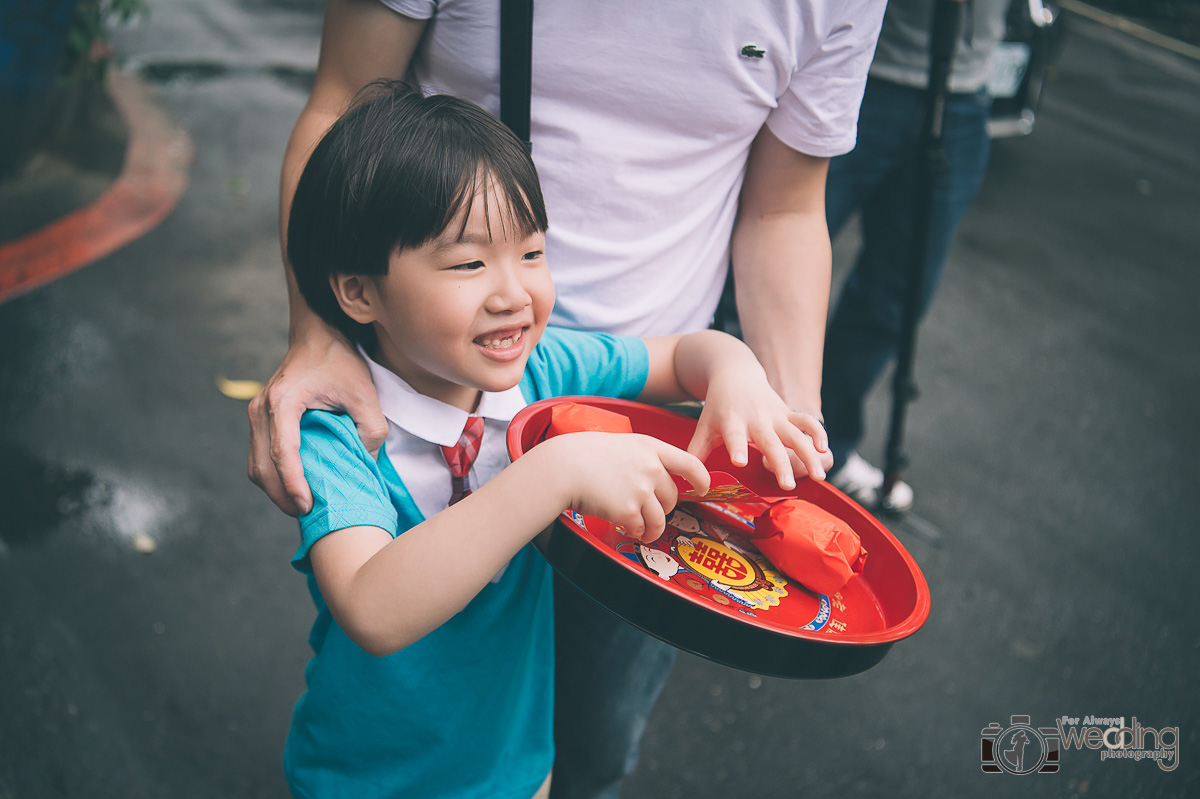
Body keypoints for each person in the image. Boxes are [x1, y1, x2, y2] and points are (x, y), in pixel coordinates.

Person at [249, 2, 883, 796]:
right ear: (358, 290)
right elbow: (375, 607)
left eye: (533, 253)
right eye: (466, 265)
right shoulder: (336, 430)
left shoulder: (540, 371)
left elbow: (687, 352)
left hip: (519, 775)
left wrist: (739, 373)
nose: (514, 293)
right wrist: (556, 471)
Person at [821, 0, 1012, 510]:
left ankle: (826, 444)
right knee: (777, 253)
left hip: (961, 93)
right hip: (859, 66)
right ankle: (715, 411)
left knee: (896, 296)